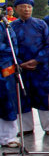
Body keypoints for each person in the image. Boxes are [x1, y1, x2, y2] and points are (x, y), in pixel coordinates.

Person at [10, 0, 49, 136]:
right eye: (22, 7)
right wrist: (20, 62)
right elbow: (8, 47)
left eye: (29, 7)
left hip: (39, 68)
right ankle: (26, 127)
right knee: (23, 96)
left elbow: (48, 44)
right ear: (16, 9)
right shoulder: (11, 27)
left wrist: (37, 60)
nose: (26, 9)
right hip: (21, 68)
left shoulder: (41, 24)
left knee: (43, 96)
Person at [0, 18, 20, 148]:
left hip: (4, 67)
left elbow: (12, 47)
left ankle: (8, 137)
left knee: (7, 100)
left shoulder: (4, 26)